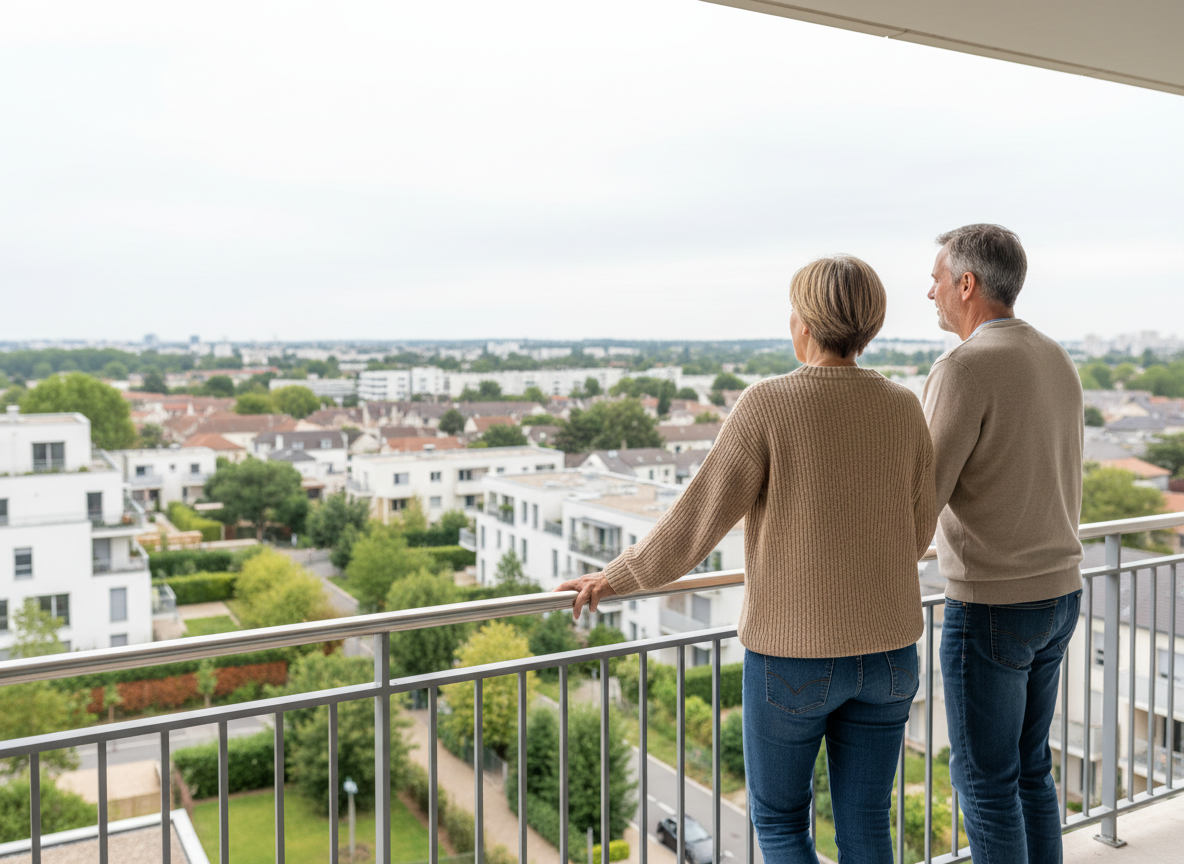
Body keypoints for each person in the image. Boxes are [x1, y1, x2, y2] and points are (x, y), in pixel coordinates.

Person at [556, 256, 936, 863]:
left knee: (783, 826)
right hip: (890, 654)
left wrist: (616, 577)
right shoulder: (903, 407)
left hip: (794, 656)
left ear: (805, 324)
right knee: (866, 826)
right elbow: (917, 530)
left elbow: (696, 521)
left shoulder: (769, 403)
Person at [924, 224, 1083, 864]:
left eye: (936, 277)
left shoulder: (965, 367)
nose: (928, 289)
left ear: (967, 284)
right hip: (1059, 593)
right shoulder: (1054, 355)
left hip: (993, 604)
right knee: (1029, 771)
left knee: (984, 785)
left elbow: (921, 496)